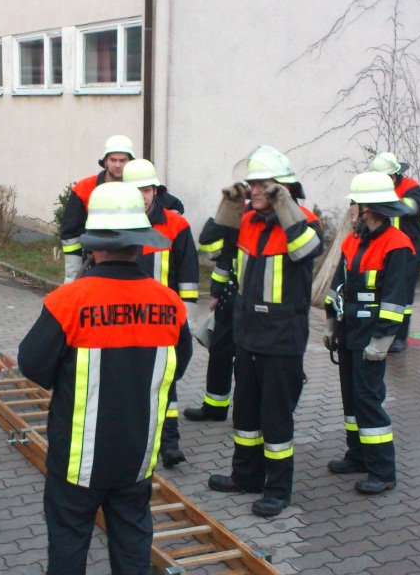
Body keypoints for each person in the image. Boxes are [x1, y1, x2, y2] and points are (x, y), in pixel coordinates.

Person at [19, 182, 193, 574]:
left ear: (94, 246)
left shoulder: (69, 301)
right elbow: (177, 367)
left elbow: (31, 364)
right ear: (140, 245)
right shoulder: (170, 304)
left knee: (69, 543)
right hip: (137, 455)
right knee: (133, 544)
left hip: (77, 459)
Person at [207, 146, 323, 518]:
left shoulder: (304, 221)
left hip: (282, 338)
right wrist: (228, 206)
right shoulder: (247, 219)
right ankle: (246, 476)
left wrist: (285, 204)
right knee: (245, 414)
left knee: (275, 417)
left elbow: (307, 251)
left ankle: (277, 490)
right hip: (248, 334)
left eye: (262, 184)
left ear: (281, 188)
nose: (254, 190)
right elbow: (209, 245)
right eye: (251, 184)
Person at [323, 172, 414, 495]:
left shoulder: (397, 245)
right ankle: (358, 455)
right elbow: (338, 284)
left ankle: (382, 470)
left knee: (367, 400)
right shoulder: (354, 240)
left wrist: (382, 341)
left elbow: (394, 300)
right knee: (351, 399)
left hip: (370, 335)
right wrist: (331, 321)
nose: (350, 208)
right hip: (349, 331)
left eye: (354, 203)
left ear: (369, 208)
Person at [123, 158, 198, 468]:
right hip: (124, 319)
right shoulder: (116, 223)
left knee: (166, 381)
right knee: (129, 381)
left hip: (163, 320)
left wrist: (186, 317)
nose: (142, 196)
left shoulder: (176, 225)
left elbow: (188, 274)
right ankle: (135, 440)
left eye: (146, 190)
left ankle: (169, 445)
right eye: (135, 190)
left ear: (155, 191)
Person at [59, 135, 184, 283]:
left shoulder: (139, 184)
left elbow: (173, 205)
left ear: (130, 162)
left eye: (122, 160)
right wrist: (72, 276)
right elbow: (70, 235)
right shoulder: (84, 188)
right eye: (113, 160)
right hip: (97, 259)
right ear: (105, 161)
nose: (117, 165)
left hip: (131, 261)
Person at [184, 182, 249, 423]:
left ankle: (246, 410)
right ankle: (215, 406)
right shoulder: (235, 220)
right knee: (219, 352)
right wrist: (216, 293)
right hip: (231, 298)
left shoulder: (261, 222)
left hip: (253, 302)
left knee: (245, 359)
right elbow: (210, 247)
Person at [369, 152, 420, 353]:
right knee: (382, 291)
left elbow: (409, 208)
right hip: (387, 248)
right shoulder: (380, 188)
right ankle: (381, 332)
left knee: (403, 296)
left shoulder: (411, 188)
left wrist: (382, 199)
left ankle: (400, 337)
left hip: (411, 250)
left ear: (393, 176)